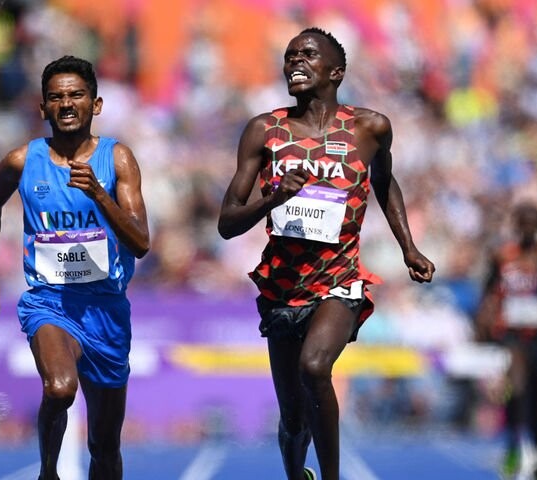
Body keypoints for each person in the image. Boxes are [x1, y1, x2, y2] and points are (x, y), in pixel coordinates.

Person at [217, 27, 435, 480]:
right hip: (281, 286)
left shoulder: (370, 128)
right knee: (293, 419)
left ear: (336, 72)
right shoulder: (264, 130)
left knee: (315, 367)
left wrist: (408, 247)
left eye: (308, 54)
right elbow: (227, 222)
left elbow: (384, 181)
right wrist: (273, 199)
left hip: (339, 279)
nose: (295, 61)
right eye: (289, 55)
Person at [0, 55, 149, 480]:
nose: (66, 104)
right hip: (50, 303)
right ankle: (48, 473)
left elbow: (141, 242)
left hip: (106, 310)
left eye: (76, 95)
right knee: (59, 389)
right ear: (43, 108)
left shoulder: (117, 159)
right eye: (56, 97)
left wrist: (100, 195)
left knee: (105, 448)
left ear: (96, 104)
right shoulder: (22, 160)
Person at [475, 201, 537, 479]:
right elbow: (488, 291)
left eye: (533, 224)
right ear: (516, 225)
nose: (528, 229)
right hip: (512, 334)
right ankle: (513, 446)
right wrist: (486, 319)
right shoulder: (503, 256)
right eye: (523, 224)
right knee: (516, 390)